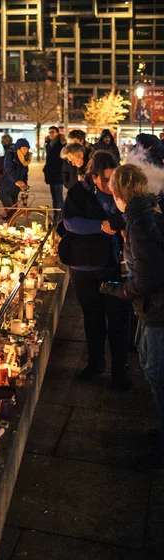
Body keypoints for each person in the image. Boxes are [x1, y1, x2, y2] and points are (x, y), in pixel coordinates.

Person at [101, 165, 164, 454]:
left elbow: (148, 278)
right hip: (150, 307)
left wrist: (115, 289)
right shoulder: (145, 213)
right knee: (150, 366)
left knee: (156, 371)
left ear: (117, 193)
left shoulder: (139, 224)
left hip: (158, 310)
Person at [58, 150, 132, 391]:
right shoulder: (79, 191)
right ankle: (95, 363)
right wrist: (100, 226)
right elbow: (69, 222)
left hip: (113, 265)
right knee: (92, 316)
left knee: (118, 320)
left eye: (114, 178)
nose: (111, 185)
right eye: (106, 179)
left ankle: (120, 371)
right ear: (94, 175)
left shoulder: (122, 190)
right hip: (83, 264)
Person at [0, 138, 32, 219]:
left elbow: (25, 175)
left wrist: (25, 186)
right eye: (24, 148)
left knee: (15, 214)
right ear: (18, 148)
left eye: (27, 148)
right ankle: (10, 229)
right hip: (5, 189)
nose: (26, 150)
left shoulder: (25, 160)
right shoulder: (10, 156)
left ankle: (12, 229)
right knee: (11, 214)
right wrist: (17, 181)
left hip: (15, 190)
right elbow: (9, 170)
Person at [43, 125, 65, 220]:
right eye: (49, 132)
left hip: (58, 174)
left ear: (57, 133)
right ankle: (57, 216)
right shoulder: (48, 144)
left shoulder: (61, 145)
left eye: (53, 132)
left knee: (58, 197)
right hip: (51, 174)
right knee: (54, 197)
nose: (51, 134)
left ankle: (61, 216)